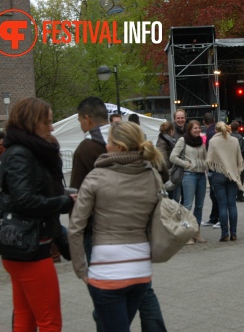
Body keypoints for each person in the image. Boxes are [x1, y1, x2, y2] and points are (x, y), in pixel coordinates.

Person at [71, 97, 167, 332]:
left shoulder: (96, 174)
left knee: (110, 322)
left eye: (110, 142)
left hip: (106, 262)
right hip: (140, 265)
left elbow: (75, 226)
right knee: (133, 310)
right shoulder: (151, 174)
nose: (106, 145)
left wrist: (81, 271)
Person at [0, 97, 75, 331]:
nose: (51, 127)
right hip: (31, 247)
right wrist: (63, 202)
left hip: (20, 245)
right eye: (47, 122)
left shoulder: (19, 151)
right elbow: (24, 200)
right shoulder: (22, 153)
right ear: (32, 122)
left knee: (25, 316)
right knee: (49, 320)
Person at [170, 120, 207, 245]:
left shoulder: (201, 141)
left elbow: (204, 156)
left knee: (200, 206)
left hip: (201, 175)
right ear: (190, 129)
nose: (197, 130)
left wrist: (205, 164)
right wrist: (187, 164)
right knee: (188, 205)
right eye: (195, 128)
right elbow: (173, 157)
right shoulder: (183, 140)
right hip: (189, 175)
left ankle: (197, 232)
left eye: (199, 128)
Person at [207, 122, 244, 242]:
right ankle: (234, 233)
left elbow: (210, 160)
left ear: (216, 130)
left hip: (218, 175)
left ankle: (225, 234)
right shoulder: (234, 140)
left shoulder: (213, 141)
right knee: (232, 204)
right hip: (232, 175)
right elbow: (239, 158)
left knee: (222, 205)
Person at [201, 113, 221, 228]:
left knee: (216, 195)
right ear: (214, 120)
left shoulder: (209, 133)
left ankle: (217, 218)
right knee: (215, 194)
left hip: (214, 168)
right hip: (218, 167)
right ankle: (214, 218)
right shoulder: (216, 131)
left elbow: (209, 151)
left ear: (204, 122)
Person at [156, 121, 179, 201]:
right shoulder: (163, 142)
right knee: (170, 199)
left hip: (170, 173)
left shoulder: (167, 140)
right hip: (168, 174)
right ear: (171, 131)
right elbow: (163, 160)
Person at [230, 121, 244, 202]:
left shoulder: (229, 136)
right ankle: (240, 194)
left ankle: (233, 193)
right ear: (238, 128)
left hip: (231, 160)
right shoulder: (239, 137)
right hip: (239, 160)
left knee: (233, 177)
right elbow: (242, 149)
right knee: (241, 177)